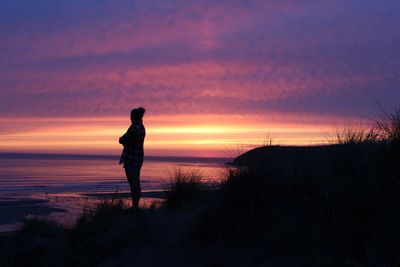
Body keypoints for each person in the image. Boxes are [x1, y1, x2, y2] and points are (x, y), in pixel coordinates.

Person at [119, 107, 146, 211]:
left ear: (134, 117)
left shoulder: (134, 127)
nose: (130, 118)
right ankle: (135, 205)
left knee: (133, 183)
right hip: (138, 158)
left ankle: (135, 206)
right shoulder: (142, 127)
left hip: (131, 158)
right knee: (136, 182)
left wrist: (123, 141)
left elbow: (122, 139)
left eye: (131, 116)